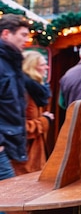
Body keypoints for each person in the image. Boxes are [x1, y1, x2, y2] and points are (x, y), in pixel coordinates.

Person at [0, 14, 47, 195]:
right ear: (6, 34)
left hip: (11, 143)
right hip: (4, 145)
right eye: (23, 35)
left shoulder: (12, 63)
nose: (27, 40)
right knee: (9, 199)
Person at [11, 50, 54, 175]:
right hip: (22, 162)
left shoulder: (36, 90)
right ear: (31, 67)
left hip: (31, 158)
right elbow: (17, 128)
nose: (47, 67)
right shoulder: (23, 92)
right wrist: (44, 121)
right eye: (42, 64)